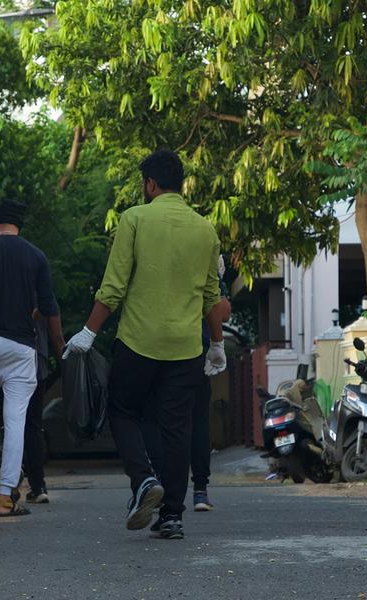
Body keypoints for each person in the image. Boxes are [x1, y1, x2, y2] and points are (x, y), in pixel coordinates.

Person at [64, 149, 226, 540]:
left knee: (123, 410)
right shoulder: (206, 229)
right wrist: (216, 344)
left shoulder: (134, 218)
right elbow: (211, 296)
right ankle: (172, 516)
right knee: (176, 431)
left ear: (150, 184)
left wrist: (88, 333)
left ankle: (142, 480)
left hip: (138, 342)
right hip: (187, 348)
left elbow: (114, 286)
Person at [0, 200, 63, 518]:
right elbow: (47, 306)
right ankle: (7, 498)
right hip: (21, 347)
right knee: (16, 420)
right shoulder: (35, 256)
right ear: (20, 224)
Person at [191, 258, 231, 512]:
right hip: (196, 350)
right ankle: (200, 491)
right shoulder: (204, 265)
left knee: (163, 419)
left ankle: (156, 483)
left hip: (159, 349)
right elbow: (223, 311)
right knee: (197, 422)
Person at [23, 311, 59, 504]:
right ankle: (38, 486)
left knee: (7, 422)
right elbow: (55, 329)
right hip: (38, 363)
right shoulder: (40, 285)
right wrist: (62, 356)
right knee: (34, 426)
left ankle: (9, 485)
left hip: (8, 360)